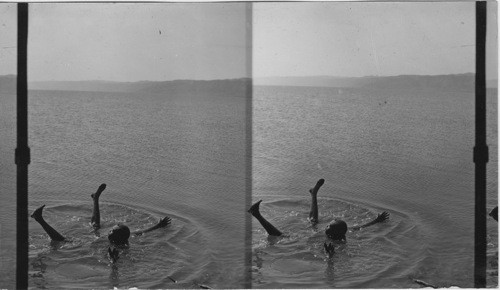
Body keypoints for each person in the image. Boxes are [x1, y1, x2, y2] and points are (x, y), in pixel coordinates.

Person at [248, 179, 390, 257]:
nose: (327, 225)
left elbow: (332, 255)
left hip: (303, 240)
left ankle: (257, 215)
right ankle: (314, 193)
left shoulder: (337, 243)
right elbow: (361, 227)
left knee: (281, 236)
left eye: (329, 226)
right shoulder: (341, 233)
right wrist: (376, 221)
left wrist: (330, 256)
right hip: (310, 235)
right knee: (314, 221)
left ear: (332, 234)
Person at [31, 183, 172, 259]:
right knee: (96, 225)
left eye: (113, 231)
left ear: (120, 238)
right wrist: (158, 225)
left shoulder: (121, 247)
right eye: (112, 229)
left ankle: (40, 220)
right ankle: (96, 199)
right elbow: (142, 232)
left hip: (89, 245)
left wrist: (113, 261)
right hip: (95, 240)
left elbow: (122, 256)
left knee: (64, 241)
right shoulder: (121, 237)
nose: (110, 230)